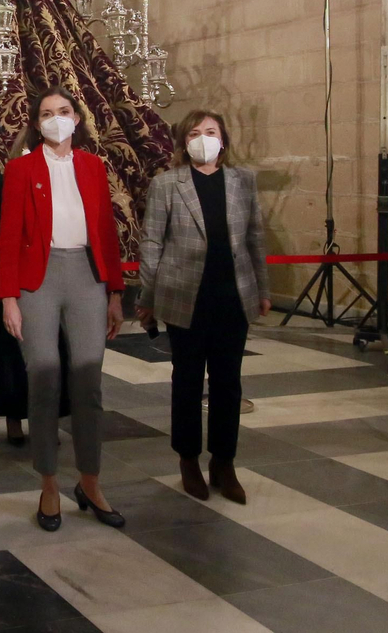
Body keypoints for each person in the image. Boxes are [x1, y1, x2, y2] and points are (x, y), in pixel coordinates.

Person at [0, 87, 125, 531]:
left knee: (88, 380)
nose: (56, 119)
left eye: (64, 111)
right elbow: (8, 236)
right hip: (39, 278)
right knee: (44, 375)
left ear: (76, 117)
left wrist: (115, 291)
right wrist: (9, 297)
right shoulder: (20, 169)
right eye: (47, 113)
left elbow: (106, 230)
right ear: (36, 123)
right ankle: (48, 482)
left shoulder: (92, 166)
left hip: (88, 276)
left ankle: (90, 481)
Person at [137, 111, 270, 504]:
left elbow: (255, 238)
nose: (203, 138)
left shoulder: (242, 180)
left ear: (223, 139)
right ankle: (189, 459)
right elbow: (152, 243)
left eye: (210, 132)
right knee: (188, 380)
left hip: (232, 293)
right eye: (195, 133)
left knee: (228, 382)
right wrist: (148, 295)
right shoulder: (167, 184)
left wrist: (263, 288)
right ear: (183, 142)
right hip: (184, 295)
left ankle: (224, 462)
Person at [0, 133, 70, 445]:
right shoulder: (6, 181)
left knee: (53, 352)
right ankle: (14, 418)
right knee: (11, 352)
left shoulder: (63, 181)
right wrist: (12, 254)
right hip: (14, 278)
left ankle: (47, 419)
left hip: (53, 274)